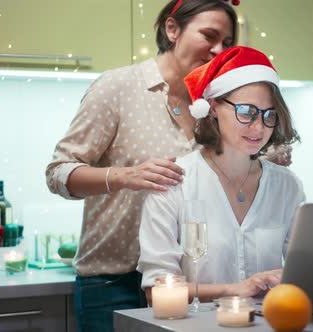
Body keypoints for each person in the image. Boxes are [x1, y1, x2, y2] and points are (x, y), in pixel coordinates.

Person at [45, 1, 239, 331]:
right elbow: (58, 173)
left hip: (187, 284)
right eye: (209, 36)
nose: (218, 50)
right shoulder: (118, 87)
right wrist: (124, 176)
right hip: (112, 285)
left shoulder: (212, 106)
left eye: (228, 43)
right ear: (172, 29)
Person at [137, 46, 305, 303]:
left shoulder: (287, 186)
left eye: (269, 115)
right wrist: (234, 290)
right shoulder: (175, 184)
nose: (259, 127)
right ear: (213, 107)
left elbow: (306, 273)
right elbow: (156, 290)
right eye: (247, 112)